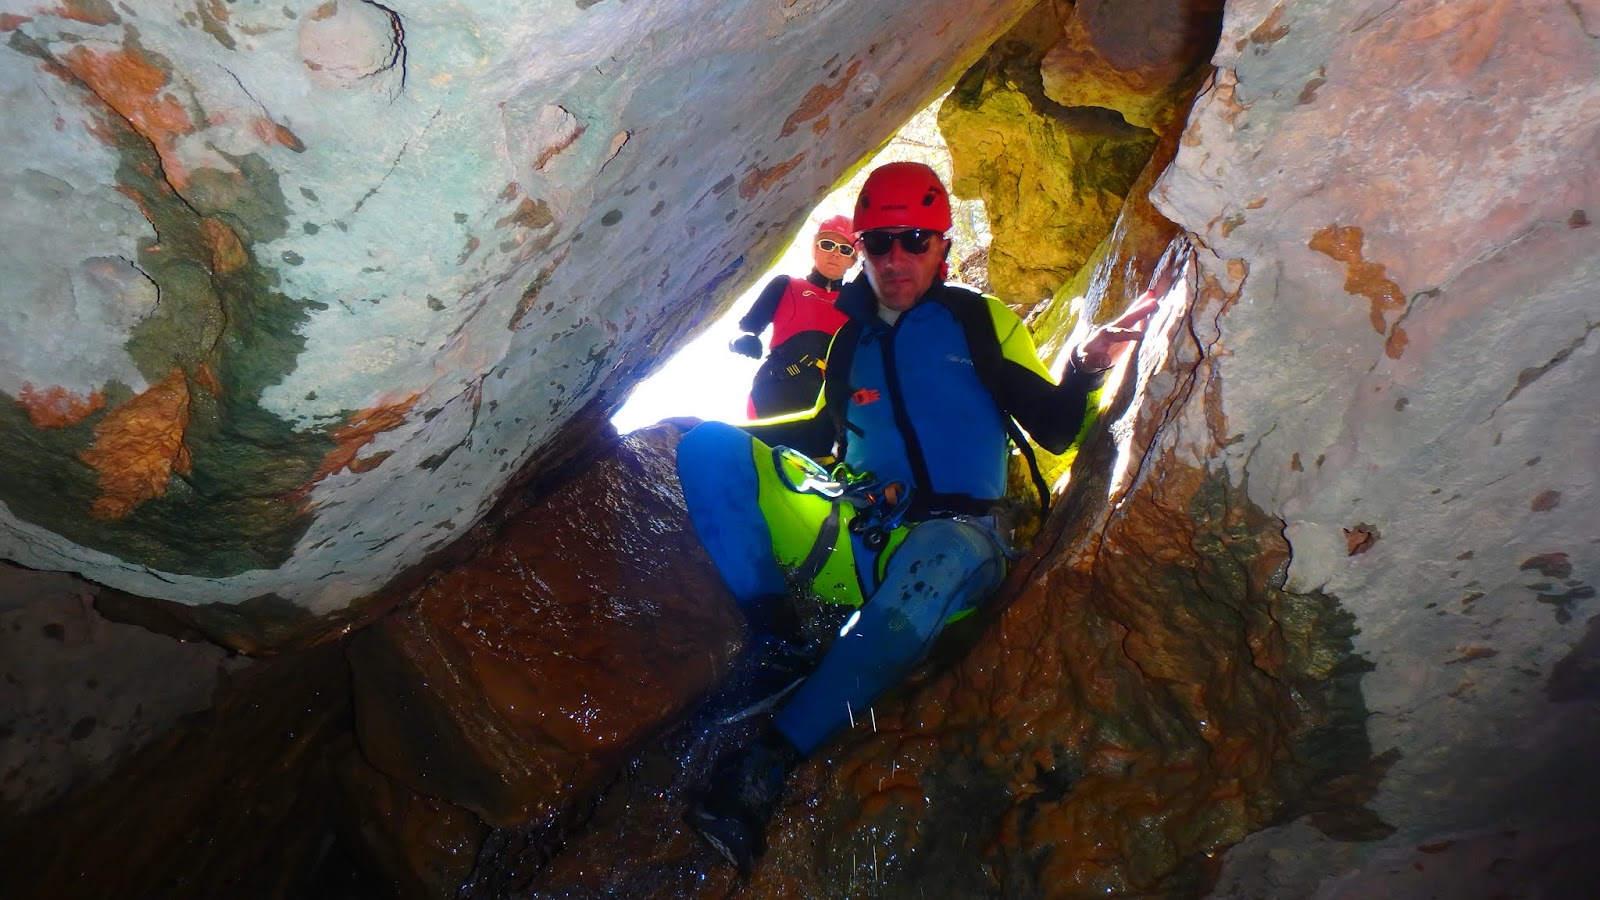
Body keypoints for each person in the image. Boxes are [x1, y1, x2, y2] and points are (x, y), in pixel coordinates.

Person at [673, 161, 1157, 873]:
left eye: (914, 240)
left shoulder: (975, 319)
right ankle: (780, 645)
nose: (895, 259)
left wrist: (1087, 365)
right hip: (864, 538)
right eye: (878, 243)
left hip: (961, 547)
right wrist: (740, 444)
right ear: (861, 249)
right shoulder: (848, 343)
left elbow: (1054, 430)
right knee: (709, 445)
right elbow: (812, 435)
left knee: (941, 553)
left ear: (942, 248)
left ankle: (765, 768)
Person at [729, 215, 857, 418]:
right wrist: (743, 341)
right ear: (814, 249)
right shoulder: (785, 285)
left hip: (825, 404)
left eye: (845, 249)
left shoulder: (856, 301)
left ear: (853, 260)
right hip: (774, 391)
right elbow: (742, 333)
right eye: (827, 244)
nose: (835, 253)